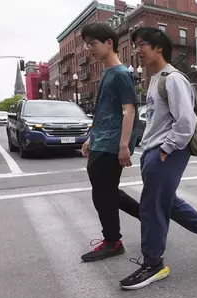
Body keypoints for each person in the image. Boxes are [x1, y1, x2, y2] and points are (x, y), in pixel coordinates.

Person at [119, 27, 197, 290]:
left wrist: (166, 150)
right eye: (135, 45)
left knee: (152, 206)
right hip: (154, 151)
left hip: (166, 151)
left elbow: (186, 122)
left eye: (142, 44)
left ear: (159, 47)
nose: (138, 50)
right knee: (166, 202)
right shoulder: (157, 78)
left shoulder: (173, 78)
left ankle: (153, 264)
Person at [78, 22, 139, 262]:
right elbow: (105, 112)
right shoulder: (107, 73)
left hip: (111, 145)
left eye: (93, 44)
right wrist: (91, 138)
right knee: (107, 193)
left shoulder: (122, 74)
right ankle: (150, 218)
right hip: (100, 142)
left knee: (103, 196)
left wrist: (123, 145)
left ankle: (113, 242)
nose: (88, 49)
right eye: (87, 44)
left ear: (109, 43)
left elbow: (129, 111)